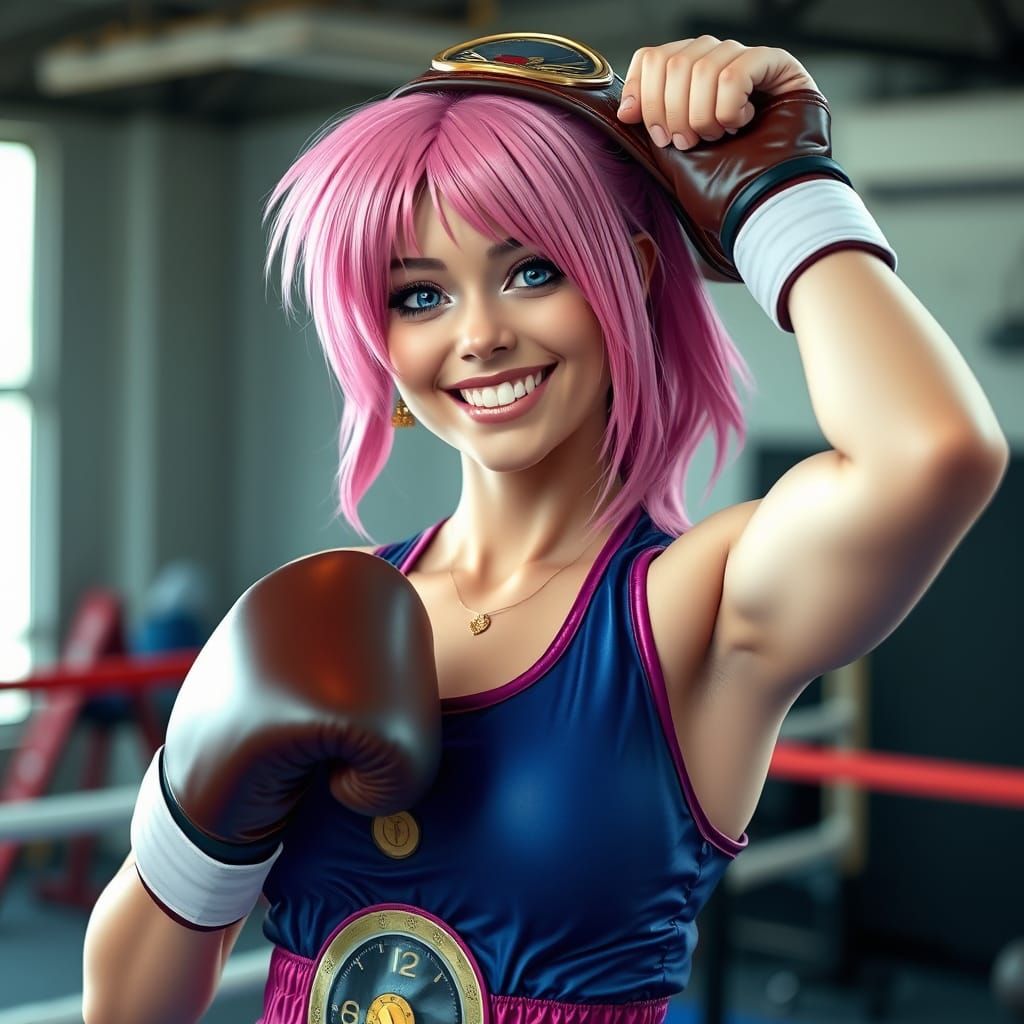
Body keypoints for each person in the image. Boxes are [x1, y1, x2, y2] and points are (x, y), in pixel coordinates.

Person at [83, 32, 1008, 1024]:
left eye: (531, 272)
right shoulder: (334, 608)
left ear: (634, 279)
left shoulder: (691, 606)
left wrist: (777, 194)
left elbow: (933, 453)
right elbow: (126, 1009)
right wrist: (199, 802)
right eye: (420, 294)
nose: (478, 333)